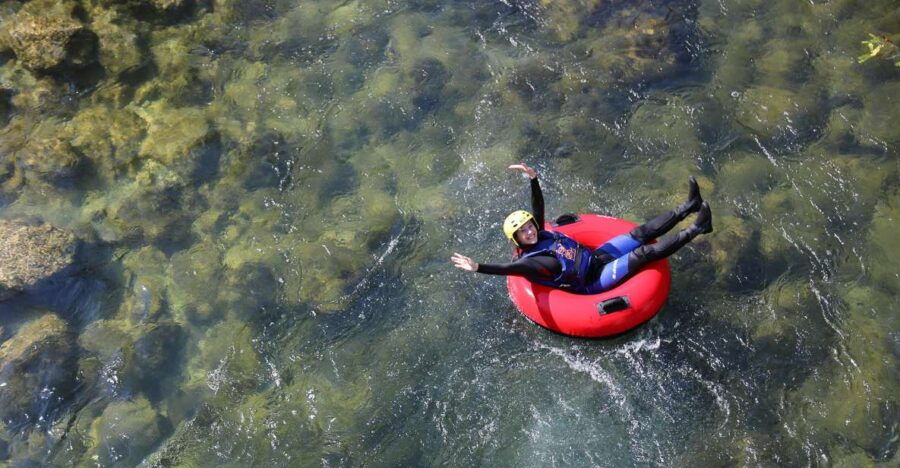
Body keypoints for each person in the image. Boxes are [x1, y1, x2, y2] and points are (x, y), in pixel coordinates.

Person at [450, 163, 712, 294]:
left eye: (530, 226)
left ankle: (689, 206)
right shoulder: (530, 263)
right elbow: (508, 269)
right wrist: (478, 267)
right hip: (594, 280)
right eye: (523, 232)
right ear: (516, 239)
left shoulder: (540, 233)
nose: (530, 231)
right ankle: (698, 228)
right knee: (643, 253)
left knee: (640, 234)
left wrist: (533, 179)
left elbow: (538, 207)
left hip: (595, 257)